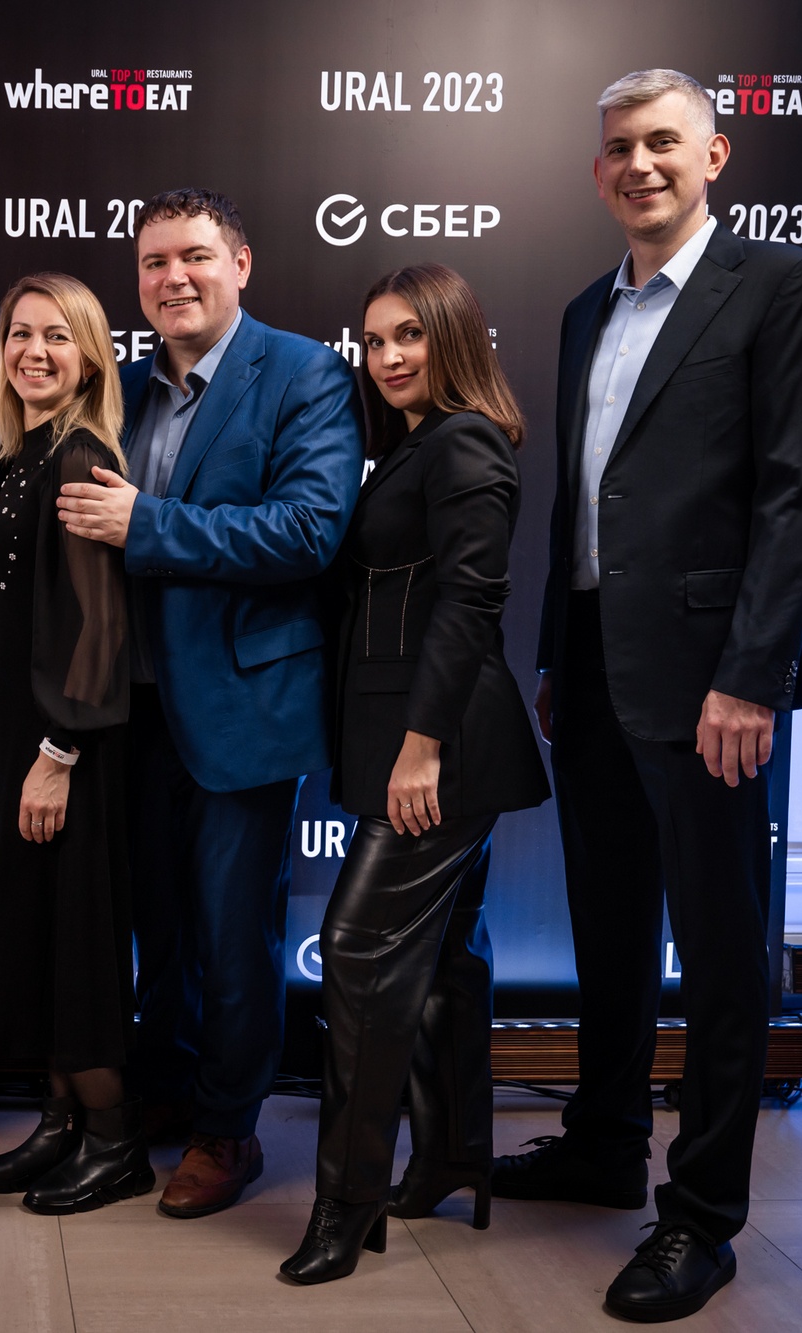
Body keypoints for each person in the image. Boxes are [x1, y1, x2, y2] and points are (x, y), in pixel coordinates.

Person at [498, 69, 802, 1323]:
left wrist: (751, 674)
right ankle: (602, 1144)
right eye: (617, 148)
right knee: (606, 923)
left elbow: (800, 494)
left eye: (662, 142)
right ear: (596, 171)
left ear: (716, 154)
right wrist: (556, 656)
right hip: (595, 666)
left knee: (715, 945)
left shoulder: (786, 288)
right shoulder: (584, 309)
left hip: (714, 682)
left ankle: (699, 1215)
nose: (638, 164)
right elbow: (584, 503)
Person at [58, 188, 363, 1218]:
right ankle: (169, 1086)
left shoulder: (304, 373)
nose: (172, 277)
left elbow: (307, 531)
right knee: (157, 928)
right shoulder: (125, 389)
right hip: (131, 711)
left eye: (193, 256)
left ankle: (228, 1127)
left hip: (243, 708)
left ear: (240, 263)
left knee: (234, 937)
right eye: (153, 262)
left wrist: (145, 524)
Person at [280, 264, 550, 1285]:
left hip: (443, 746)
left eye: (409, 335)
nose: (387, 356)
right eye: (374, 339)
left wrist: (422, 742)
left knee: (355, 949)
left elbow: (472, 600)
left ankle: (346, 1203)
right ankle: (450, 1156)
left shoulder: (463, 441)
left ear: (453, 337)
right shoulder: (412, 444)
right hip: (409, 737)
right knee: (441, 961)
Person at [0, 274, 137, 1212]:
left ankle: (114, 1141)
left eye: (56, 337)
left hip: (65, 750)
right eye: (20, 334)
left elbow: (99, 626)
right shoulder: (25, 451)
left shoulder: (78, 456)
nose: (33, 351)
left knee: (76, 952)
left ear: (91, 358)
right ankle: (61, 1123)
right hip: (16, 738)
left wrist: (57, 754)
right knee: (38, 941)